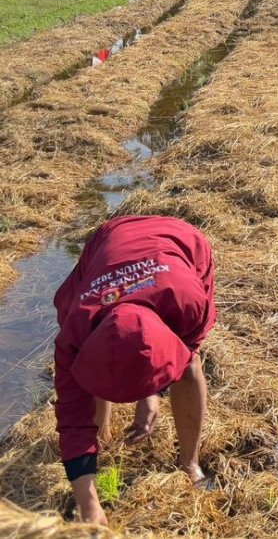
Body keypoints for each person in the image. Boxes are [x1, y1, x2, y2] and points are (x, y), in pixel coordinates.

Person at [55, 216, 216, 525]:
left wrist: (151, 391)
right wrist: (89, 505)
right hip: (111, 238)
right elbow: (72, 419)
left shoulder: (188, 305)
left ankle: (189, 462)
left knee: (190, 366)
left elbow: (183, 353)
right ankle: (101, 433)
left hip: (181, 243)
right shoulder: (73, 332)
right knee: (92, 383)